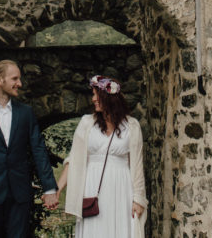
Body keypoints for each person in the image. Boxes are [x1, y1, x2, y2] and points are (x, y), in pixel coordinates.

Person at [0, 59, 59, 238]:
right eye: (15, 79)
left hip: (19, 194)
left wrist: (49, 189)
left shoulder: (26, 113)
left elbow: (38, 150)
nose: (20, 84)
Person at [57, 75, 147, 238]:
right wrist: (57, 189)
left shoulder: (132, 126)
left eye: (96, 95)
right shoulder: (86, 123)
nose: (93, 99)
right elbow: (73, 161)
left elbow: (137, 164)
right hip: (92, 186)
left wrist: (138, 198)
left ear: (108, 97)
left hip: (122, 187)